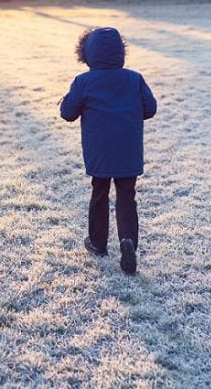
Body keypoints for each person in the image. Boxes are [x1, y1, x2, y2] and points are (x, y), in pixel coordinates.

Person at [59, 27, 157, 275]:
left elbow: (68, 114)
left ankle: (98, 243)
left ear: (87, 53)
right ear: (120, 52)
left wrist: (66, 100)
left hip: (99, 151)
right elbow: (150, 108)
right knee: (127, 195)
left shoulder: (83, 81)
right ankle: (128, 240)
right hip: (128, 148)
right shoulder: (134, 79)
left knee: (99, 192)